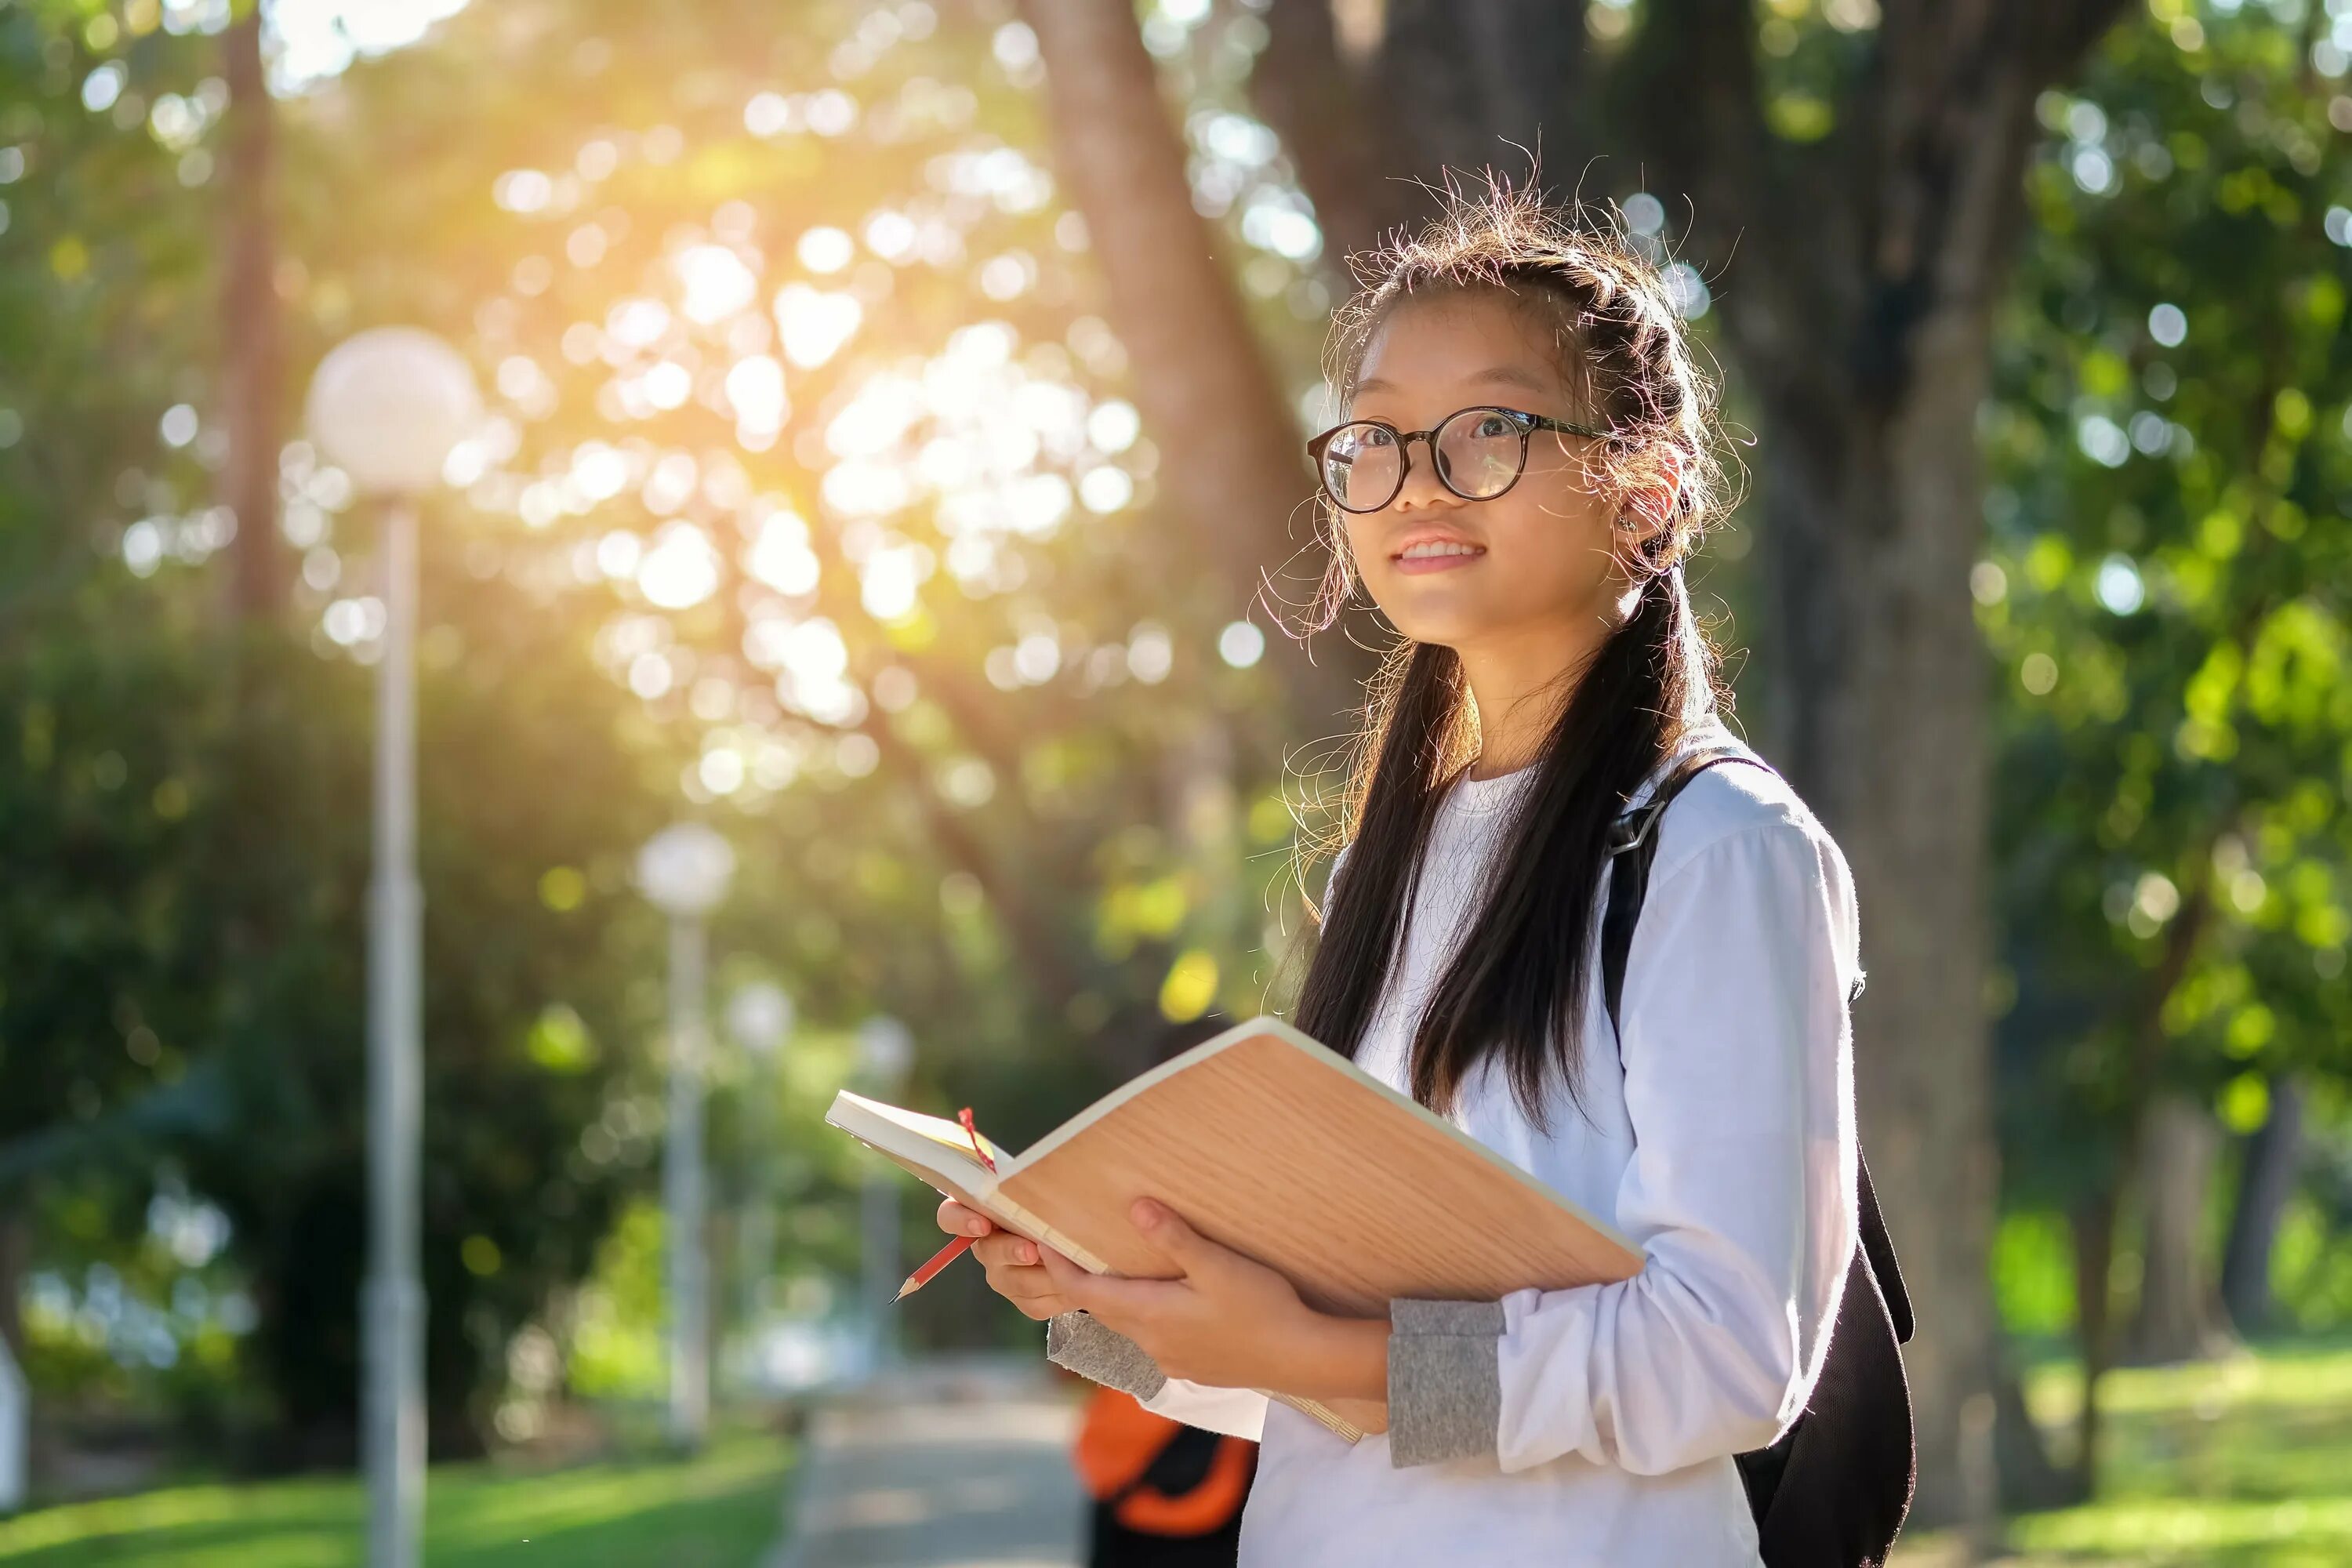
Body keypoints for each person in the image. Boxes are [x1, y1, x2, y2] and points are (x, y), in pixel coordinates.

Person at [937, 183, 1866, 1566]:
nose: (1417, 479)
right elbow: (1324, 1383)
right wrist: (1103, 1298)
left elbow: (1732, 1360)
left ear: (1646, 488)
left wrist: (1334, 1353)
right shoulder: (1402, 852)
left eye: (1489, 426)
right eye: (1374, 436)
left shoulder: (1718, 846)